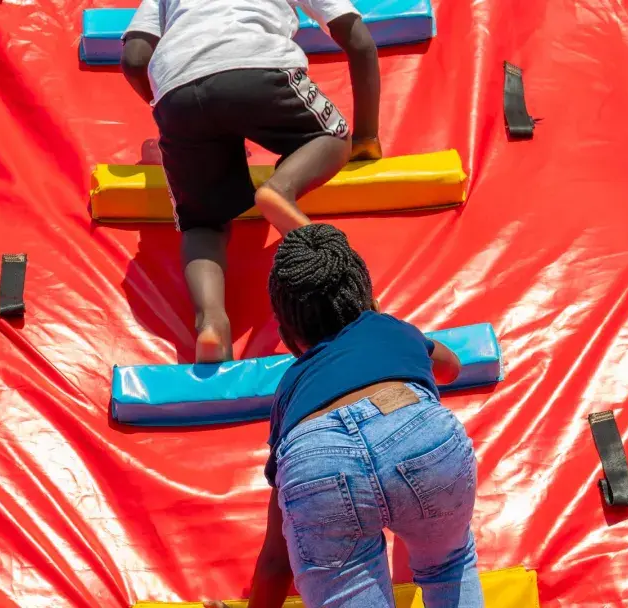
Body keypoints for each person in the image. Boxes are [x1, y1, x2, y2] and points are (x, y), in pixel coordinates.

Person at [206, 224, 484, 608]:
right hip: (417, 429)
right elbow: (450, 368)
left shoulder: (291, 388)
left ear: (287, 334)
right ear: (364, 293)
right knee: (450, 565)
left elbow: (275, 560)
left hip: (317, 456)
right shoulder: (390, 329)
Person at [121, 0, 383, 363]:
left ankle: (211, 322)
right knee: (334, 138)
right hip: (259, 66)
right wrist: (367, 136)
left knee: (202, 222)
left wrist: (173, 104)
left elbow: (134, 57)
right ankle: (281, 189)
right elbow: (359, 40)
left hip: (177, 86)